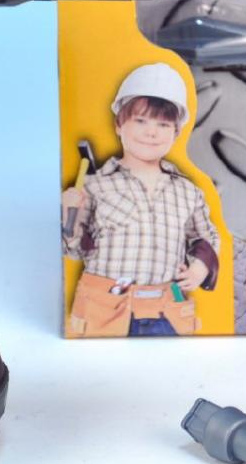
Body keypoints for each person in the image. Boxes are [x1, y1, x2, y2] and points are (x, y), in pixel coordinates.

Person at [62, 63, 220, 337]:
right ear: (119, 125)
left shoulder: (187, 191)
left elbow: (207, 237)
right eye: (140, 121)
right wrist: (69, 214)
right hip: (104, 312)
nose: (151, 132)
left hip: (167, 313)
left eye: (163, 124)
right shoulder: (95, 186)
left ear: (176, 133)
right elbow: (74, 249)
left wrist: (200, 267)